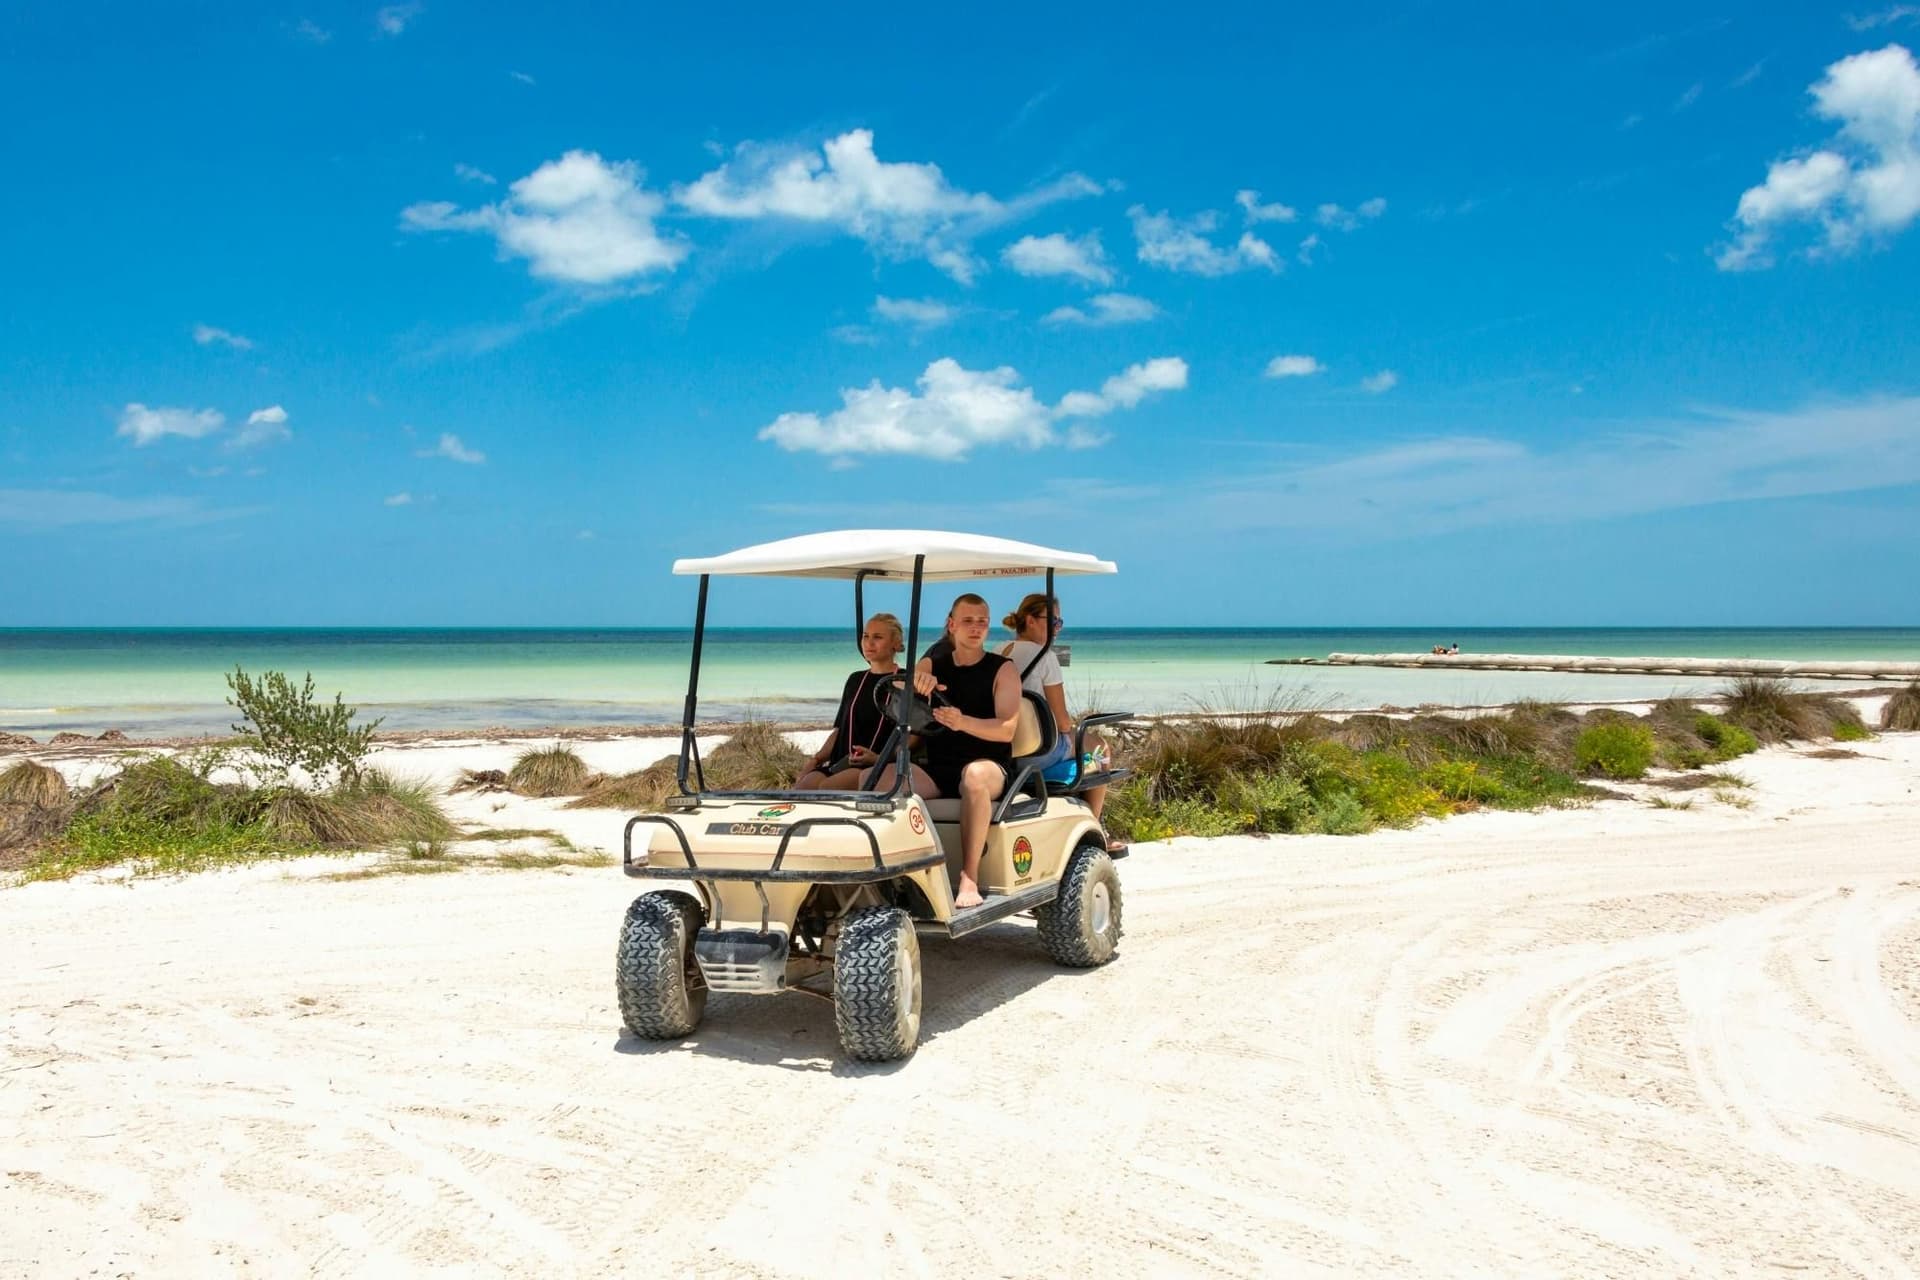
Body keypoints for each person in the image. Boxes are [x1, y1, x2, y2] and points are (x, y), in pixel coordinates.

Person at [873, 593, 1019, 909]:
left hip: (989, 766)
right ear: (952, 625)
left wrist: (962, 722)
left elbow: (1007, 729)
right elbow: (900, 685)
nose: (976, 628)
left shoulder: (1003, 669)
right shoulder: (935, 662)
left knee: (974, 776)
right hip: (940, 766)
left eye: (982, 622)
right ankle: (895, 872)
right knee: (881, 778)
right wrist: (918, 680)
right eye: (968, 621)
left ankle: (969, 876)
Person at [999, 593, 1119, 850]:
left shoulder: (998, 651)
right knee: (1101, 748)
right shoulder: (1045, 656)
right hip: (1039, 754)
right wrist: (1073, 728)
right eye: (1053, 621)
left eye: (1059, 622)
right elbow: (1063, 722)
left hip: (1004, 752)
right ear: (1030, 620)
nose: (1057, 628)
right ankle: (1096, 829)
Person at [795, 613, 905, 791]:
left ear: (896, 644)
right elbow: (840, 730)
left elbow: (912, 736)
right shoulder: (855, 679)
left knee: (827, 788)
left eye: (878, 637)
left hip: (874, 766)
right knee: (804, 787)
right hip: (841, 762)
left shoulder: (903, 680)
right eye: (866, 636)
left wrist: (879, 758)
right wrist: (815, 760)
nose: (869, 643)